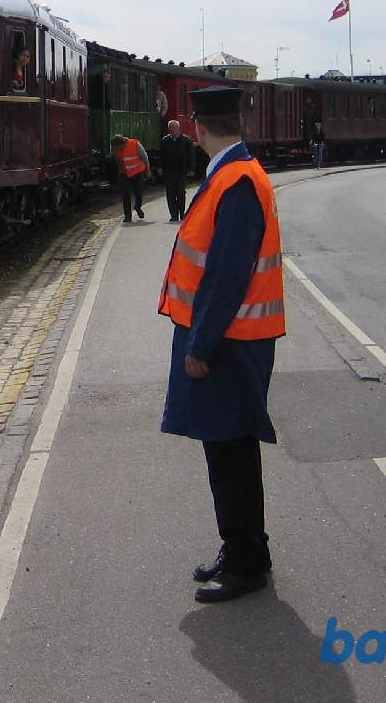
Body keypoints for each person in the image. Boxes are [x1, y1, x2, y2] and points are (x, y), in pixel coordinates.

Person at [158, 87, 285, 603]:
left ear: (196, 127)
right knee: (227, 449)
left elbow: (226, 276)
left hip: (229, 341)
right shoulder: (236, 174)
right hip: (230, 337)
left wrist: (201, 345)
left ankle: (246, 563)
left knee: (230, 449)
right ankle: (242, 549)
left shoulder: (234, 181)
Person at [110, 133, 148, 222]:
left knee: (139, 193)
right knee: (125, 195)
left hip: (137, 172)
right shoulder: (115, 148)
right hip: (125, 174)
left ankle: (138, 207)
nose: (117, 149)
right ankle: (127, 216)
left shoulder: (134, 144)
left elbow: (145, 157)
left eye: (118, 147)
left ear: (122, 144)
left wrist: (148, 170)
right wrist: (120, 172)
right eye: (115, 148)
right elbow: (118, 161)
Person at [160, 119, 190, 222]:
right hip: (169, 171)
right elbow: (162, 155)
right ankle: (173, 215)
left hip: (181, 171)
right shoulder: (165, 140)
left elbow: (191, 156)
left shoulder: (186, 140)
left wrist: (191, 169)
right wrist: (160, 167)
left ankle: (182, 213)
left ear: (178, 128)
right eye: (170, 128)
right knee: (170, 193)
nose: (172, 130)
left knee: (181, 193)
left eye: (174, 128)